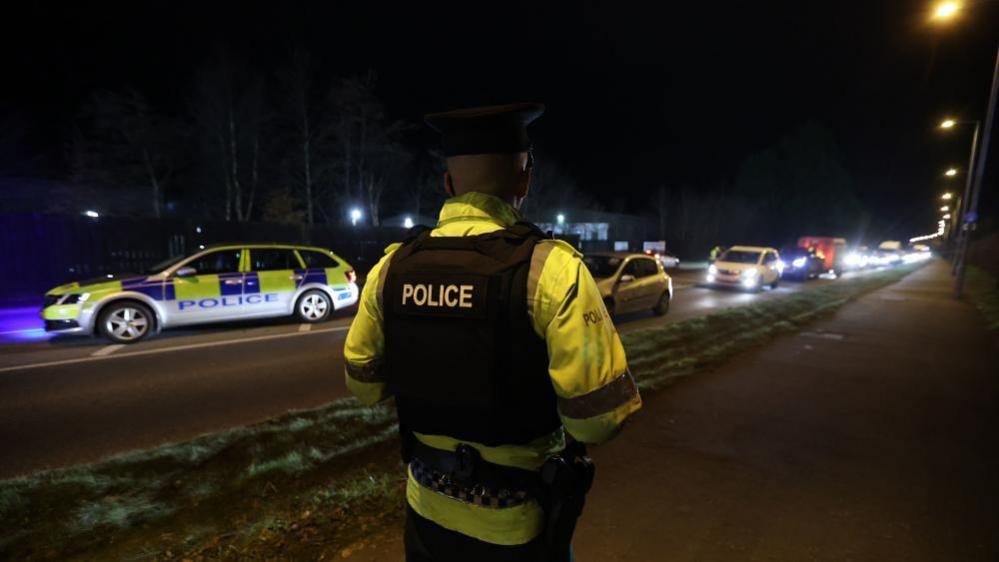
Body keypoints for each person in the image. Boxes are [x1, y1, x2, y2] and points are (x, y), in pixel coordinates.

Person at [344, 102, 642, 561]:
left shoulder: (392, 269)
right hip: (517, 526)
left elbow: (363, 385)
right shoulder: (551, 269)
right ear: (525, 180)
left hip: (426, 516)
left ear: (447, 185)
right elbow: (598, 420)